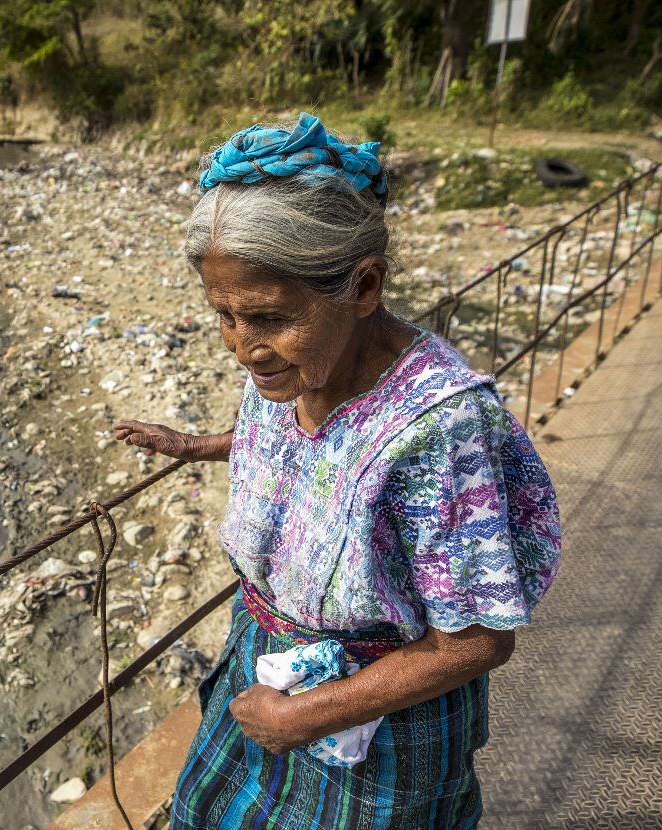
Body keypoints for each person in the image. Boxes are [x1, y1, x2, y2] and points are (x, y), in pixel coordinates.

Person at [112, 113, 561, 829]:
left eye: (265, 317)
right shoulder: (294, 364)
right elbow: (319, 457)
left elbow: (476, 640)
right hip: (265, 661)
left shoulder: (439, 428)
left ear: (364, 286)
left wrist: (307, 718)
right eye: (223, 316)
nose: (243, 347)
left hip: (378, 716)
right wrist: (199, 446)